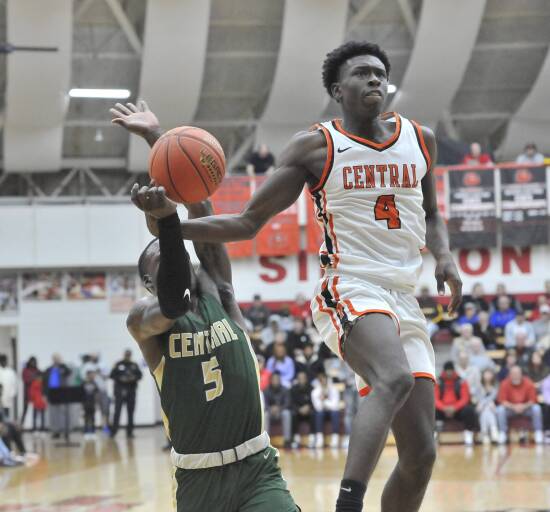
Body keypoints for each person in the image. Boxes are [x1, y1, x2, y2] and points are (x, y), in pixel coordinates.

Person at [111, 40, 463, 512]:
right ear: (338, 90)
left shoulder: (420, 140)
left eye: (380, 72)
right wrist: (170, 225)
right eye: (362, 73)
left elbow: (434, 214)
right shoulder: (317, 146)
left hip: (404, 293)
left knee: (422, 455)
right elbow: (245, 222)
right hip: (351, 285)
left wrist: (444, 257)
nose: (375, 79)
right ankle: (348, 502)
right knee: (393, 380)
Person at [106, 105, 299, 509]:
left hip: (256, 469)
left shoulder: (220, 294)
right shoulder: (144, 320)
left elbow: (199, 206)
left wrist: (158, 139)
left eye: (179, 250)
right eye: (162, 252)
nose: (178, 255)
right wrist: (167, 224)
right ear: (147, 282)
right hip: (198, 480)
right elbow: (173, 303)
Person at [496, 365, 543, 445]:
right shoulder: (504, 383)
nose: (515, 375)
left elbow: (533, 400)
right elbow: (502, 400)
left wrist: (523, 406)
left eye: (517, 373)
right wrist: (514, 407)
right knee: (500, 410)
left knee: (536, 408)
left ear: (521, 374)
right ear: (510, 375)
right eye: (513, 373)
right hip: (510, 409)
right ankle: (502, 433)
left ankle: (538, 432)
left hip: (526, 408)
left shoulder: (528, 382)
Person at [435, 361, 477, 446]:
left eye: (451, 371)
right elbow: (435, 399)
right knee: (430, 410)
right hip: (442, 410)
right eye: (447, 371)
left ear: (454, 371)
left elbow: (465, 398)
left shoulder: (461, 381)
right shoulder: (438, 382)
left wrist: (454, 408)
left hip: (458, 410)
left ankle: (468, 434)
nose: (449, 373)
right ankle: (434, 434)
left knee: (469, 410)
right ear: (444, 371)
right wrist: (444, 408)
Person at [109, 349, 142, 439]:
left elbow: (140, 376)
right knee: (117, 412)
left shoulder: (134, 365)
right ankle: (113, 431)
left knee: (130, 412)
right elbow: (111, 375)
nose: (127, 356)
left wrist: (133, 378)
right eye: (126, 354)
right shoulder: (118, 364)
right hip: (120, 392)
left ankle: (129, 432)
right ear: (124, 355)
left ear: (130, 355)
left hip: (131, 391)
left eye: (129, 355)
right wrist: (121, 378)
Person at [43, 354, 71, 438]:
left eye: (58, 359)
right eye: (55, 359)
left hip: (62, 393)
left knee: (64, 413)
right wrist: (44, 394)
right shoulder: (49, 369)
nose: (56, 360)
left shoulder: (64, 368)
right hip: (52, 393)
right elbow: (44, 383)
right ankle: (56, 431)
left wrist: (62, 364)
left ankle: (65, 431)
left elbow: (69, 372)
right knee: (53, 414)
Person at [312, 373, 341, 449]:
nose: (324, 382)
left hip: (332, 411)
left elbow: (335, 406)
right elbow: (318, 407)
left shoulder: (334, 389)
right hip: (322, 412)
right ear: (319, 382)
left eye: (325, 380)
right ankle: (319, 439)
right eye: (321, 381)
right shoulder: (315, 392)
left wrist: (324, 400)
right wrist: (327, 402)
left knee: (335, 413)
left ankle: (335, 438)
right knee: (319, 414)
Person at [264, 372, 292, 448]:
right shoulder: (266, 390)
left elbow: (287, 403)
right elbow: (264, 404)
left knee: (287, 413)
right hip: (270, 412)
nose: (275, 381)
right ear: (270, 380)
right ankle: (265, 442)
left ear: (280, 380)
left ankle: (287, 440)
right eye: (274, 379)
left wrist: (279, 408)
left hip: (281, 411)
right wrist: (270, 408)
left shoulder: (285, 390)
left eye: (277, 379)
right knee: (265, 414)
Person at [290, 371, 314, 447]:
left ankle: (312, 438)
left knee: (314, 414)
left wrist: (308, 407)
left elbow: (314, 401)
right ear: (297, 379)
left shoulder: (311, 388)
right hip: (298, 411)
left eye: (303, 378)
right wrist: (299, 409)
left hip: (308, 410)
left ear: (306, 379)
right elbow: (291, 403)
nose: (301, 380)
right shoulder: (293, 389)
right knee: (293, 414)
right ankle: (295, 438)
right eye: (299, 378)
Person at [475, 369, 499, 445]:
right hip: (480, 409)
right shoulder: (479, 387)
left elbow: (495, 398)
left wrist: (486, 403)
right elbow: (477, 398)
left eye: (489, 374)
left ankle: (484, 433)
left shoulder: (496, 387)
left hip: (493, 409)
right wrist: (484, 403)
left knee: (488, 409)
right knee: (485, 409)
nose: (488, 376)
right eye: (486, 374)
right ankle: (493, 431)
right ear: (482, 375)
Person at [21, 356, 40, 425]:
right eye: (32, 362)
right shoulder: (25, 370)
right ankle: (22, 425)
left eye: (34, 362)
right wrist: (33, 378)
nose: (33, 363)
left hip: (35, 393)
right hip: (27, 392)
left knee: (35, 410)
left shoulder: (37, 370)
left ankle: (34, 426)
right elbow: (26, 380)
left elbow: (39, 379)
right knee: (25, 409)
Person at [82, 370, 99, 440]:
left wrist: (97, 403)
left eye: (93, 375)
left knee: (92, 417)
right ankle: (86, 432)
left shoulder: (94, 383)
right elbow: (80, 393)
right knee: (86, 417)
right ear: (87, 375)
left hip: (92, 403)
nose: (92, 376)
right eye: (91, 375)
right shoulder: (83, 383)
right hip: (85, 403)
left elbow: (97, 394)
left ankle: (93, 431)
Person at [0, 354, 16, 419]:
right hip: (1, 396)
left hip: (8, 396)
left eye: (5, 361)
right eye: (2, 361)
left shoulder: (10, 372)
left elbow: (14, 384)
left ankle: (6, 427)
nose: (4, 362)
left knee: (6, 413)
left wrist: (11, 394)